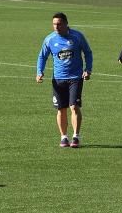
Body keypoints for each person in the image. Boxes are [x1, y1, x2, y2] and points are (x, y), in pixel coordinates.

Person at [36, 12, 93, 148]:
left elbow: (88, 52)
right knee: (61, 109)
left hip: (75, 78)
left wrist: (88, 69)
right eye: (54, 24)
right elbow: (42, 56)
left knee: (74, 106)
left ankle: (76, 136)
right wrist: (39, 71)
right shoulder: (50, 39)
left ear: (66, 24)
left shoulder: (77, 36)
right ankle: (63, 137)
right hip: (58, 79)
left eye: (59, 24)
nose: (57, 27)